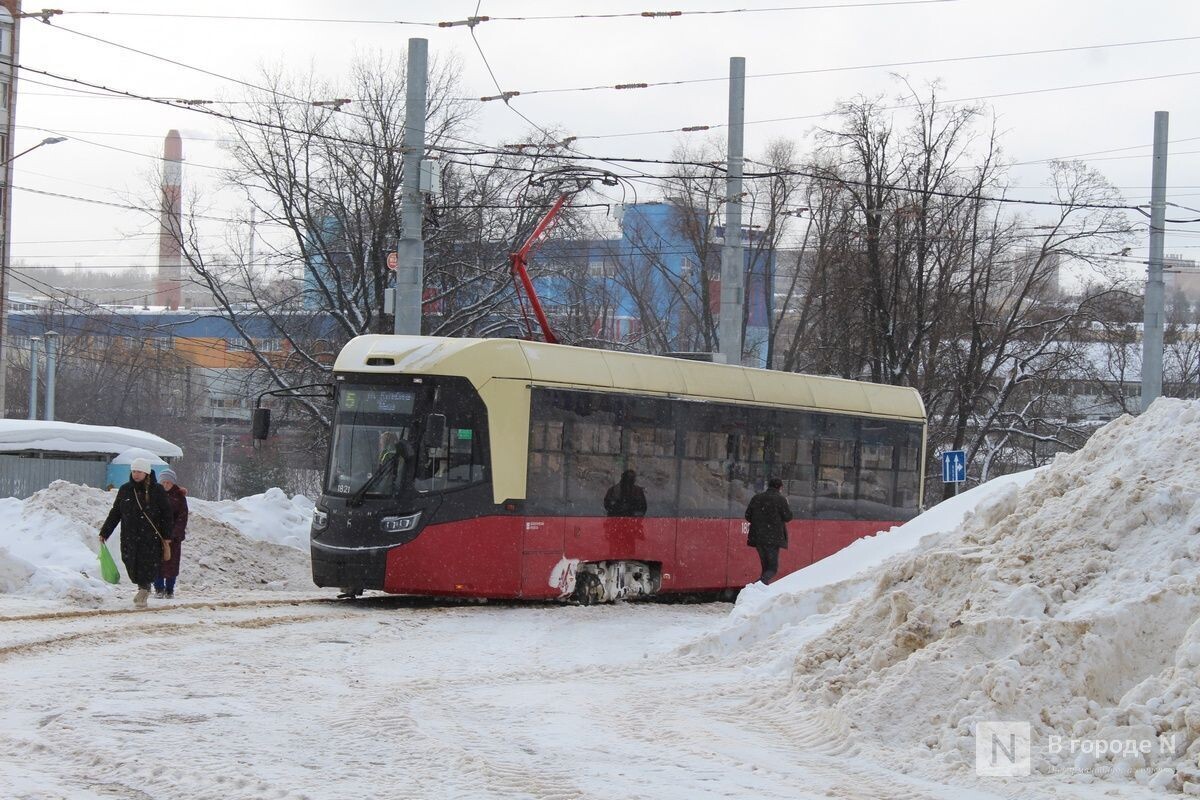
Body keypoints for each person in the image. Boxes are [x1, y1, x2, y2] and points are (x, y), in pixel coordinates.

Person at [99, 458, 174, 607]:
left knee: (146, 564)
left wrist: (166, 535)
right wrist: (105, 532)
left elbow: (167, 513)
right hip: (129, 536)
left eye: (139, 471)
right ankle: (142, 586)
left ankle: (144, 589)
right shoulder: (125, 489)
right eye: (134, 471)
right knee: (130, 562)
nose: (136, 474)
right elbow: (116, 513)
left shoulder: (156, 490)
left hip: (149, 537)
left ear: (146, 472)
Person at [745, 477, 793, 585]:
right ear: (780, 487)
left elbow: (748, 516)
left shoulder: (757, 497)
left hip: (757, 538)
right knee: (772, 569)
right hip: (773, 539)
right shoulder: (781, 499)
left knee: (765, 568)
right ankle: (756, 586)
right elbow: (788, 517)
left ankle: (760, 591)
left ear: (768, 486)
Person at [154, 468, 188, 599]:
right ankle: (158, 588)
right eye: (163, 482)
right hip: (157, 536)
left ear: (173, 483)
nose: (165, 485)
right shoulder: (155, 495)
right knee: (157, 563)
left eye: (168, 482)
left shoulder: (179, 498)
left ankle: (169, 589)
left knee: (171, 563)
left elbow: (182, 518)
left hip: (173, 539)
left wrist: (173, 535)